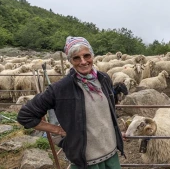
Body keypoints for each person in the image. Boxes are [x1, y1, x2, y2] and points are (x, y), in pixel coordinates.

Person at [17, 36, 126, 169]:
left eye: (86, 56)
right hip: (85, 160)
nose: (83, 61)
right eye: (76, 58)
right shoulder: (60, 88)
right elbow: (25, 116)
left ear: (92, 56)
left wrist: (115, 130)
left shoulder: (104, 79)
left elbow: (106, 113)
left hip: (111, 154)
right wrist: (57, 129)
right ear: (70, 61)